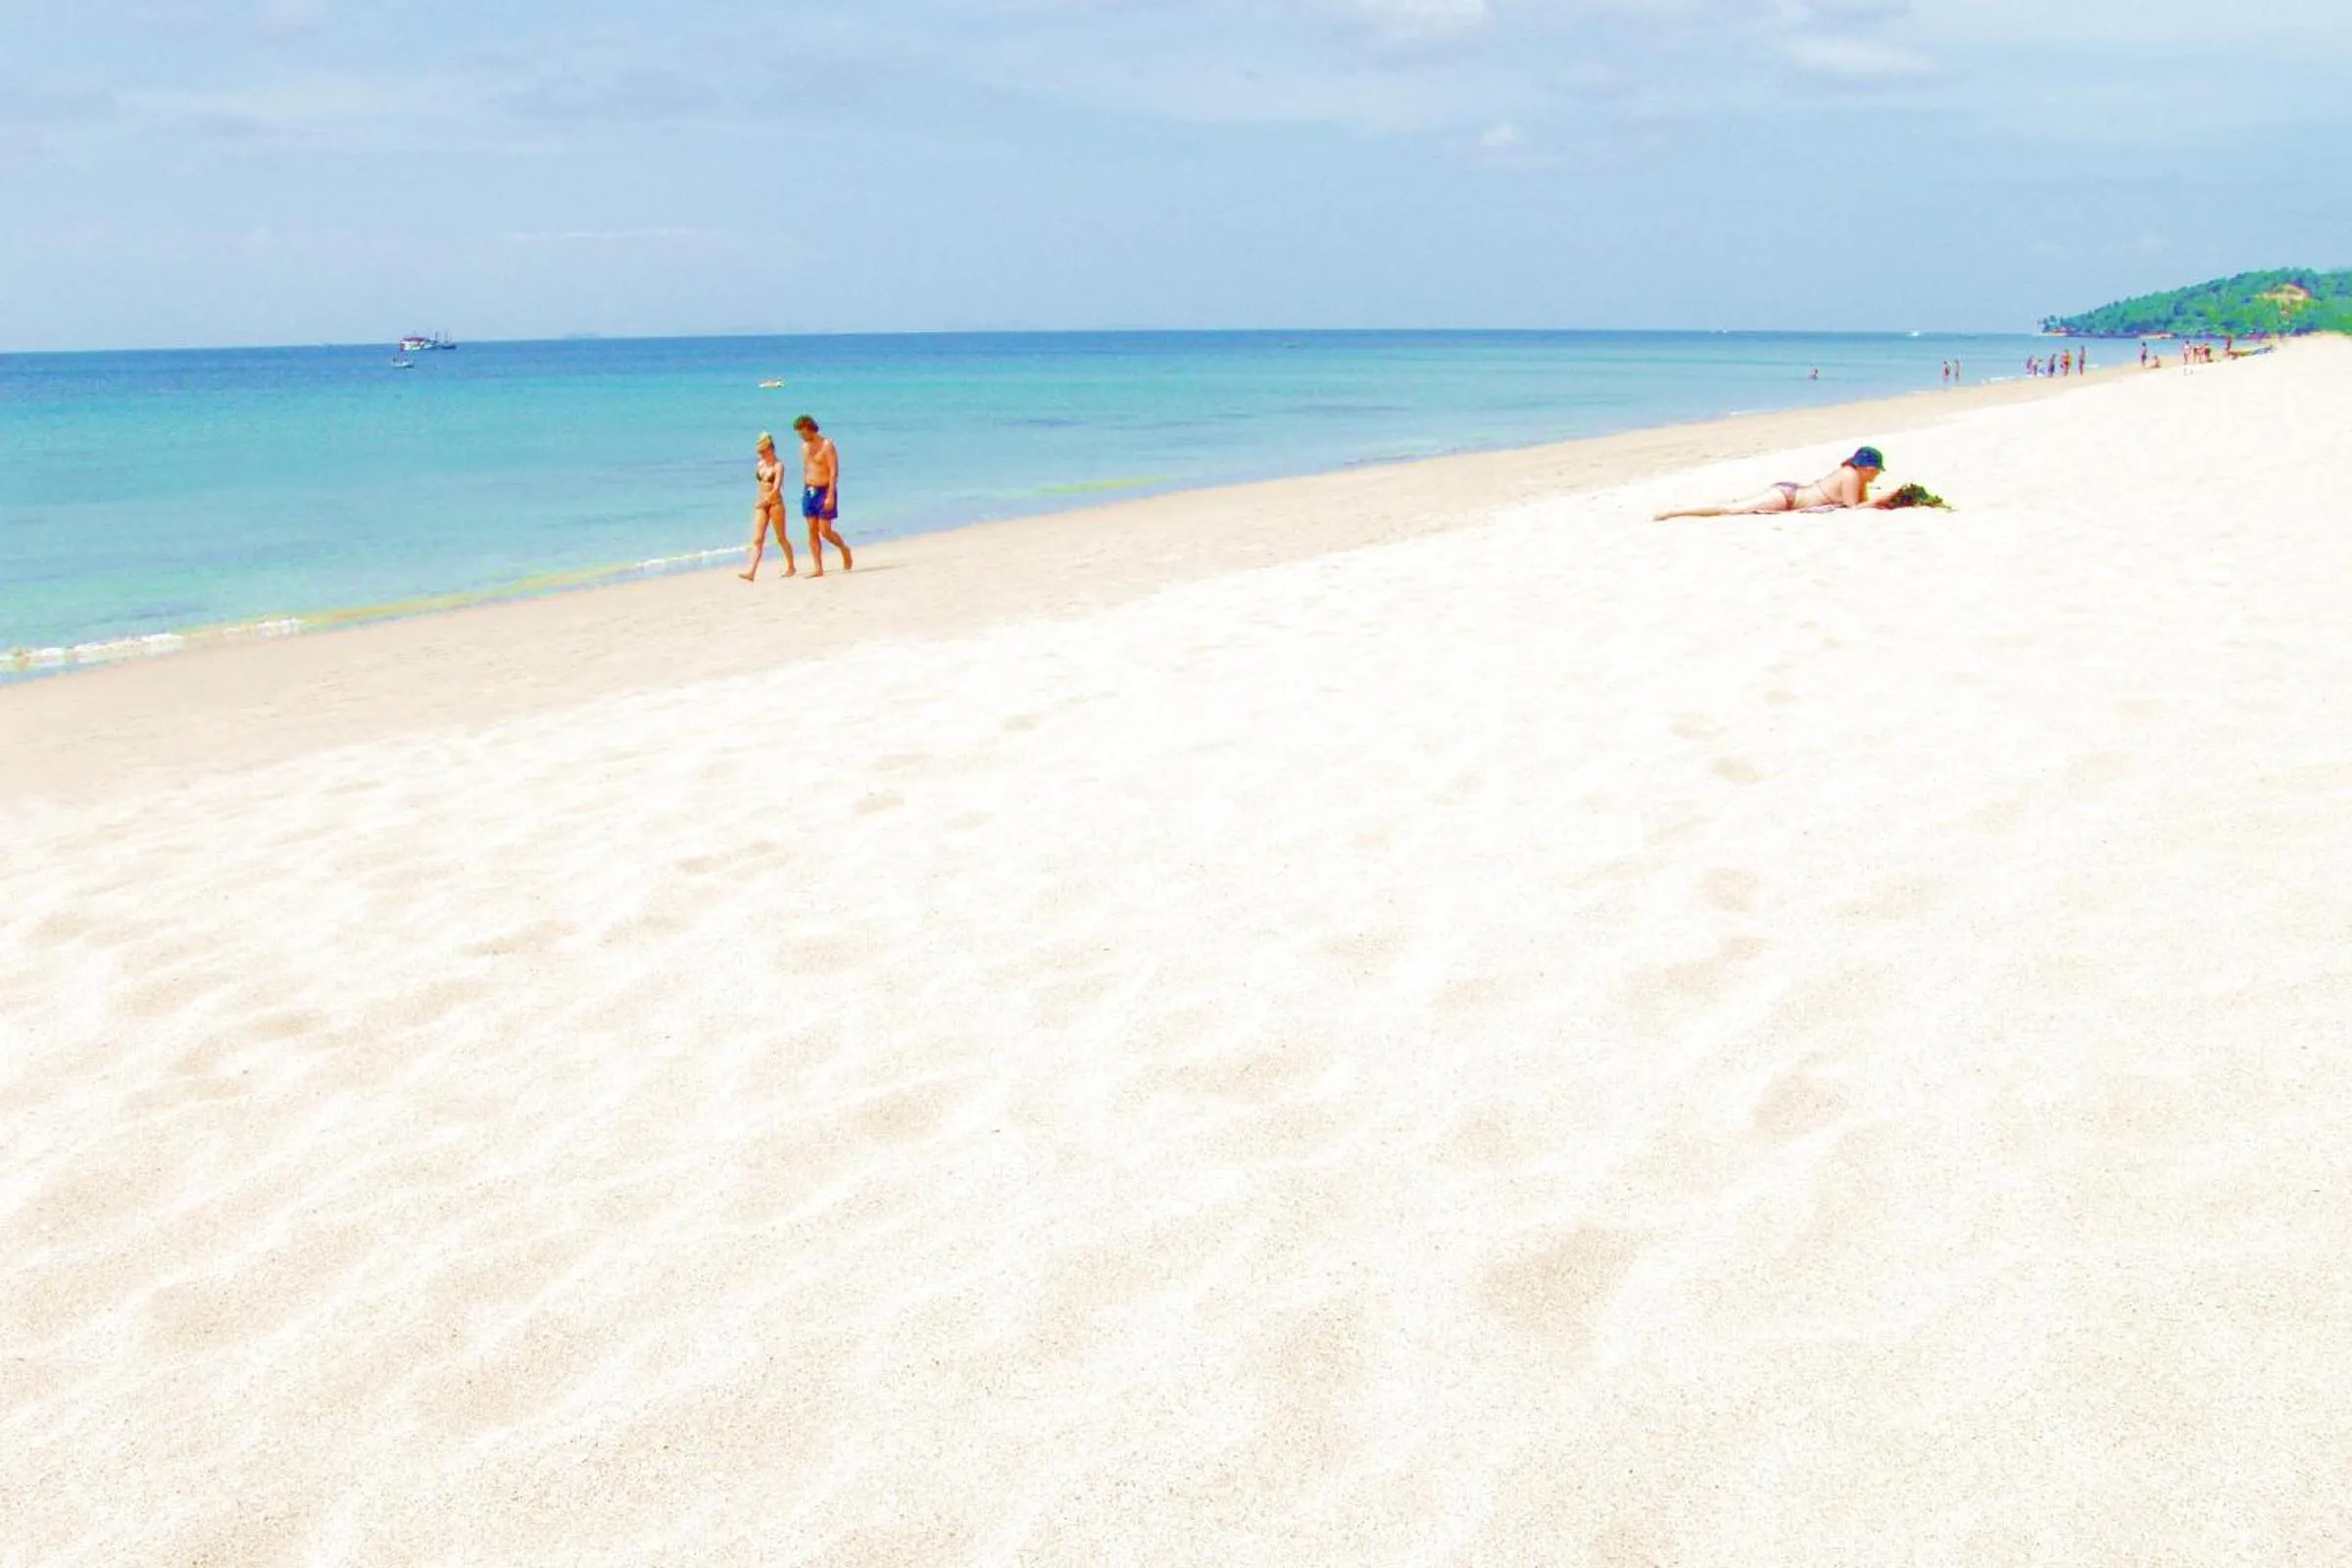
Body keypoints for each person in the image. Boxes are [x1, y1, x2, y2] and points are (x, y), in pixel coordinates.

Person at [1653, 446, 1895, 520]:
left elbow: (1858, 502)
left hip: (1790, 494)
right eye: (1875, 471)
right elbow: (1854, 508)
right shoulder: (1851, 476)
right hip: (1786, 499)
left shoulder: (1851, 475)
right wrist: (1884, 500)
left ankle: (1678, 510)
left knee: (1733, 505)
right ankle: (1674, 512)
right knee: (1729, 509)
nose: (1877, 476)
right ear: (1867, 468)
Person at [794, 415, 853, 576]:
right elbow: (807, 469)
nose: (802, 437)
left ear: (812, 429)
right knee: (811, 530)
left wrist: (830, 496)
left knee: (825, 531)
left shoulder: (827, 445)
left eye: (804, 433)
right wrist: (805, 490)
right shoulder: (804, 448)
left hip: (825, 489)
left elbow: (834, 471)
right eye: (800, 434)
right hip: (809, 490)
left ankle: (843, 548)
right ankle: (818, 567)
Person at [739, 432, 796, 581]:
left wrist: (767, 500)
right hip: (761, 504)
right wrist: (761, 501)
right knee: (757, 539)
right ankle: (751, 572)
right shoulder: (760, 464)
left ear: (771, 449)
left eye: (763, 451)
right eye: (760, 451)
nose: (761, 454)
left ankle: (791, 566)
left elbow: (776, 487)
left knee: (781, 537)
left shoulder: (779, 466)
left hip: (775, 504)